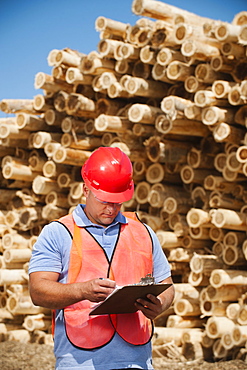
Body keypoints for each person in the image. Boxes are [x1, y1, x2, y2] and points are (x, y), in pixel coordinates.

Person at [29, 146, 175, 370]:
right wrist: (82, 291)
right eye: (104, 200)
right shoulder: (57, 232)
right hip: (79, 362)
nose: (111, 208)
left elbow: (167, 286)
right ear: (85, 190)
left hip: (136, 362)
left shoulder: (143, 232)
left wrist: (159, 305)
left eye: (117, 201)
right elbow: (38, 291)